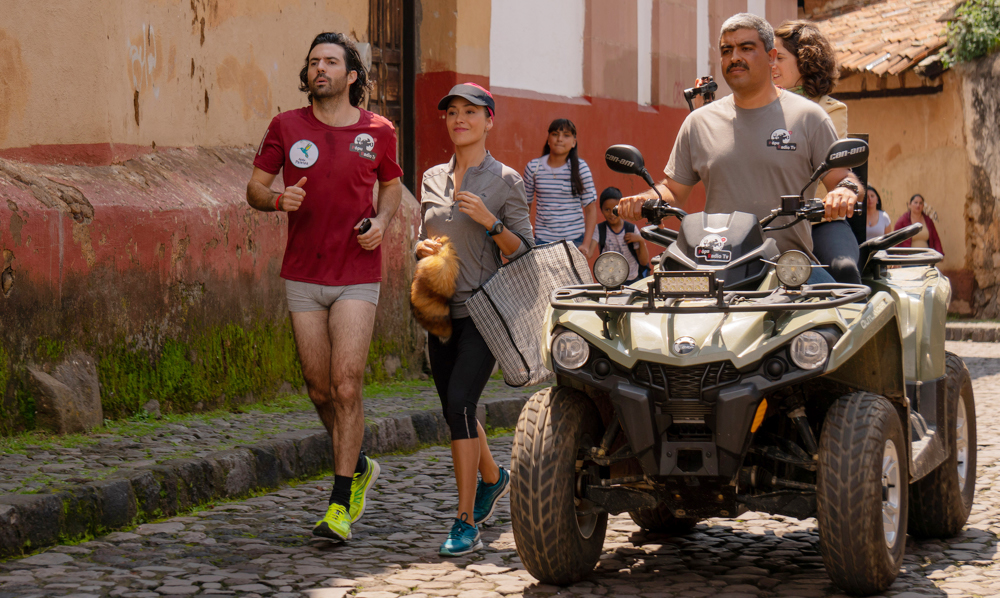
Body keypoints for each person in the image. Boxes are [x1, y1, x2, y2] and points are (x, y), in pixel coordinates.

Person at [246, 32, 403, 542]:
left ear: (351, 75)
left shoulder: (378, 130)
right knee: (318, 388)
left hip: (357, 273)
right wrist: (275, 201)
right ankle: (357, 466)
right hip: (304, 273)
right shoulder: (285, 126)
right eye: (314, 61)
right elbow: (254, 186)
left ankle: (338, 506)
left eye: (331, 62)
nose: (320, 69)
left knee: (346, 383)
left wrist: (382, 221)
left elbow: (392, 185)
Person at [618, 13, 862, 286]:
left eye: (746, 48)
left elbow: (843, 177)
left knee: (841, 311)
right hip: (713, 270)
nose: (735, 57)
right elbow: (673, 191)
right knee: (649, 310)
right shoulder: (698, 122)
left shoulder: (809, 117)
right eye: (727, 50)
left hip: (786, 272)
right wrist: (644, 199)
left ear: (771, 57)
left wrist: (844, 191)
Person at [416, 83, 533, 557]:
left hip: (484, 311)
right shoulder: (430, 178)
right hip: (439, 309)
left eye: (471, 111)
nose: (459, 118)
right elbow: (426, 234)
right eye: (452, 112)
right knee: (452, 410)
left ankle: (465, 520)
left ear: (489, 121)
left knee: (462, 403)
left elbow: (526, 250)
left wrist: (491, 222)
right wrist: (421, 249)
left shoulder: (506, 181)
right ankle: (493, 477)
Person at [772, 19, 860, 285]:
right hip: (768, 222)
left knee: (843, 269)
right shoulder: (756, 107)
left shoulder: (830, 110)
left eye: (780, 58)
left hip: (818, 221)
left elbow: (830, 168)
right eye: (769, 57)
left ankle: (846, 324)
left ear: (805, 61)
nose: (771, 64)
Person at [522, 119, 598, 254]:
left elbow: (591, 210)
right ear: (548, 139)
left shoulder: (581, 169)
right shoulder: (534, 167)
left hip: (574, 241)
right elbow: (525, 207)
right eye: (555, 134)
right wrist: (526, 239)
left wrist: (586, 244)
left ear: (574, 142)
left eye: (566, 135)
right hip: (542, 242)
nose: (560, 139)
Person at [589, 187, 650, 285]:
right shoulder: (600, 229)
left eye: (615, 209)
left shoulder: (631, 229)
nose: (611, 214)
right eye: (607, 209)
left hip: (631, 279)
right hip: (610, 280)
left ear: (621, 208)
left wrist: (640, 240)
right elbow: (589, 252)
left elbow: (644, 262)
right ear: (601, 210)